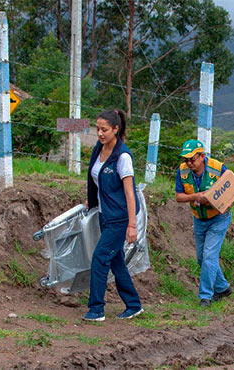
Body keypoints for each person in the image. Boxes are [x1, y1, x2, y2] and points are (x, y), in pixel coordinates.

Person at [83, 109, 143, 321]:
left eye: (104, 130)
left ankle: (96, 309)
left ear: (116, 129)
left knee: (100, 258)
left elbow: (129, 192)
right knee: (116, 261)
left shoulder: (123, 156)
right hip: (104, 215)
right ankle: (134, 305)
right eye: (97, 129)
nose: (99, 133)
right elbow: (95, 178)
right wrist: (91, 200)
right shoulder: (98, 149)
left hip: (120, 218)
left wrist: (132, 225)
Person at [175, 140, 233, 308]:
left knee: (209, 255)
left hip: (218, 218)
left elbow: (233, 188)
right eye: (186, 159)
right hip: (199, 218)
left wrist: (227, 203)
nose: (189, 163)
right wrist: (196, 197)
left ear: (202, 156)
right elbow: (179, 197)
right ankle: (223, 287)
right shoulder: (183, 171)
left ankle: (205, 297)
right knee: (201, 258)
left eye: (192, 159)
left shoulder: (218, 168)